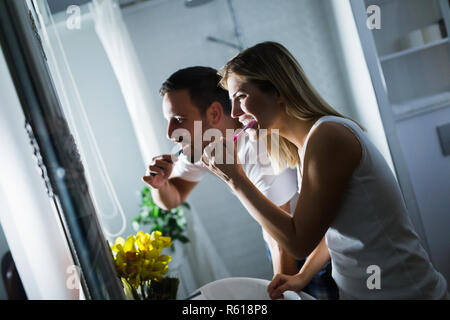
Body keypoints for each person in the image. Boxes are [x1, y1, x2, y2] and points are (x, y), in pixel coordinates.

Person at [201, 41, 449, 300]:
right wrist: (302, 276)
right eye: (232, 101)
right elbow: (328, 228)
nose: (235, 112)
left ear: (278, 91)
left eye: (241, 97)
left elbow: (299, 242)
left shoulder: (327, 137)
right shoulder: (306, 146)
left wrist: (236, 180)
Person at [142, 66, 339, 299]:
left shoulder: (263, 145)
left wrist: (281, 294)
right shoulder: (201, 143)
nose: (169, 132)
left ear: (214, 114)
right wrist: (161, 185)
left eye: (178, 119)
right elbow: (173, 199)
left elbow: (284, 242)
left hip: (316, 249)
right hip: (277, 236)